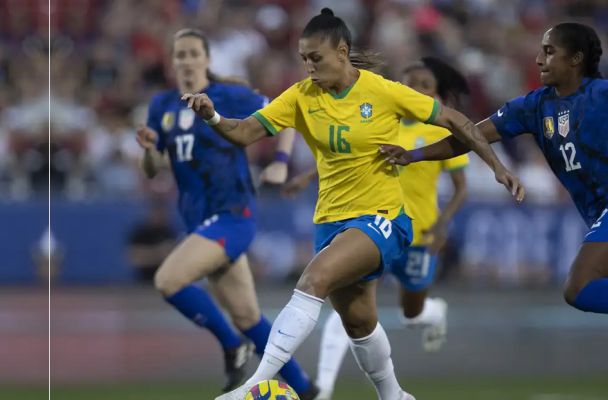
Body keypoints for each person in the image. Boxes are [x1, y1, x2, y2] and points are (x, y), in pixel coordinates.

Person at [181, 9, 523, 400]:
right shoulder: (300, 97)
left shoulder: (383, 91)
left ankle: (253, 385)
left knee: (312, 281)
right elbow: (243, 132)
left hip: (384, 218)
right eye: (304, 58)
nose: (308, 67)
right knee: (359, 323)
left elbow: (455, 121)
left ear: (342, 52)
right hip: (330, 221)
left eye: (316, 58)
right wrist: (212, 116)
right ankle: (395, 395)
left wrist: (497, 166)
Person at [381, 22, 608, 400]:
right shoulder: (534, 106)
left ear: (576, 59)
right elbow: (470, 135)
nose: (539, 58)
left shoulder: (604, 94)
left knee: (578, 288)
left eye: (549, 51)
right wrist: (414, 155)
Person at [135, 28, 317, 397]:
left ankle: (232, 347)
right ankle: (307, 390)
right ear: (173, 62)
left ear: (206, 59)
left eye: (192, 53)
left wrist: (281, 162)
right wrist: (150, 150)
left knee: (168, 280)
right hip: (200, 219)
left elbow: (285, 114)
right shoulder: (162, 107)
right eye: (179, 55)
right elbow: (154, 169)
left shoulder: (228, 95)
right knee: (249, 317)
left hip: (233, 213)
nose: (185, 60)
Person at [279, 57, 470, 399]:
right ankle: (324, 387)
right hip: (373, 224)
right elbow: (348, 156)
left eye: (424, 85)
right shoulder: (383, 115)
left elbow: (460, 188)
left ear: (435, 93)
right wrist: (308, 176)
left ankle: (433, 312)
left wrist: (442, 225)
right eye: (409, 82)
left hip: (419, 236)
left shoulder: (438, 130)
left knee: (411, 313)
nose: (414, 89)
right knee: (349, 305)